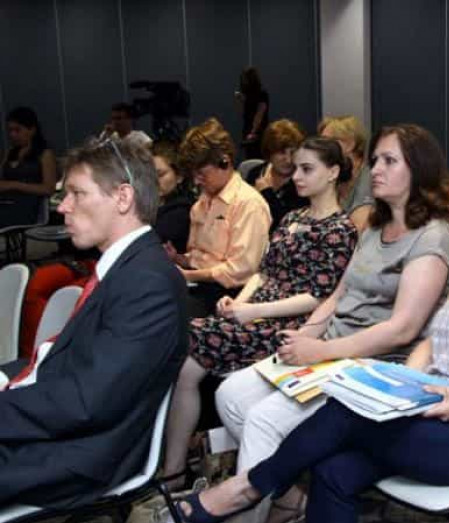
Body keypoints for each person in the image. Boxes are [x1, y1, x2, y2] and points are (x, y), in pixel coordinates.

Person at [169, 140, 449, 523]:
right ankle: (255, 488)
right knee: (333, 469)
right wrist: (406, 384)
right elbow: (433, 340)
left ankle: (247, 488)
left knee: (348, 408)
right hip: (444, 408)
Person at [213, 123, 449, 523]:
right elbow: (337, 296)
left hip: (375, 363)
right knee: (230, 394)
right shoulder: (376, 227)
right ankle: (290, 494)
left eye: (389, 161)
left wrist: (320, 350)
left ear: (418, 169)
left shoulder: (432, 238)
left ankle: (249, 506)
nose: (374, 169)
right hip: (330, 350)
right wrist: (305, 336)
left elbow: (402, 329)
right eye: (376, 160)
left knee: (262, 420)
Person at [0, 139, 187, 508]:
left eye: (77, 193)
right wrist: (6, 377)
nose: (62, 206)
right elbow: (61, 362)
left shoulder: (148, 283)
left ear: (122, 198)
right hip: (56, 431)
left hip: (77, 456)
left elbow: (88, 402)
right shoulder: (126, 269)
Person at [162, 137, 359, 483]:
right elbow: (262, 273)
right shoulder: (293, 217)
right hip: (258, 312)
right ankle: (175, 466)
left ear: (332, 173)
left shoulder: (340, 229)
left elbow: (318, 297)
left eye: (307, 169)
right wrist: (240, 302)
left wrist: (253, 312)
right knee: (186, 359)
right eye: (296, 168)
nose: (296, 176)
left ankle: (175, 468)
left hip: (291, 324)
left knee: (188, 338)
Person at [166, 118, 271, 316]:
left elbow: (241, 269)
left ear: (224, 161)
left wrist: (189, 275)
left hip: (229, 295)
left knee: (167, 310)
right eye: (194, 175)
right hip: (200, 285)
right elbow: (200, 257)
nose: (197, 181)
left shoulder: (249, 204)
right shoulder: (202, 203)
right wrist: (179, 259)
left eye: (201, 174)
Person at [0, 106, 57, 228]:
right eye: (10, 130)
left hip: (26, 207)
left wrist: (14, 185)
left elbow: (48, 189)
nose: (12, 134)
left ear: (32, 130)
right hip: (6, 202)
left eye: (17, 130)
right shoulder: (10, 152)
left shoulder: (45, 154)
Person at [246, 119, 307, 231]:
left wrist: (266, 193)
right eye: (281, 153)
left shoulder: (303, 181)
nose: (288, 160)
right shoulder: (255, 173)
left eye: (293, 153)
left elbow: (289, 224)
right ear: (270, 152)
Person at [318, 116, 373, 232]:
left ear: (350, 144)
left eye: (327, 142)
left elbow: (357, 229)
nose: (321, 149)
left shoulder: (369, 179)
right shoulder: (331, 177)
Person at [153, 140, 194, 253]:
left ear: (179, 176)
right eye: (149, 174)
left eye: (160, 174)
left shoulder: (183, 211)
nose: (153, 180)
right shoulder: (148, 204)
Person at [237, 67, 270, 159]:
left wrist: (253, 131)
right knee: (250, 157)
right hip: (249, 130)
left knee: (258, 157)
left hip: (258, 132)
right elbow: (246, 112)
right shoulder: (248, 95)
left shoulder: (262, 94)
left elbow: (260, 114)